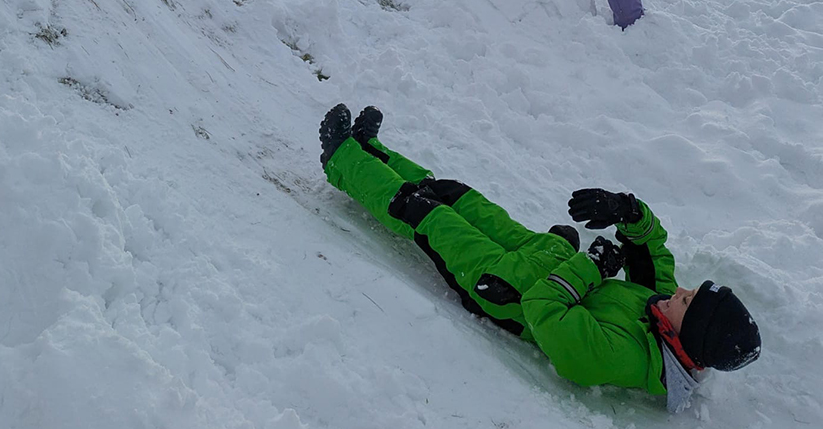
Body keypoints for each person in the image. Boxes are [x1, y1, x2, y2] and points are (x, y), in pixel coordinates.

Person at [318, 103, 760, 413]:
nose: (678, 291)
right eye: (687, 291)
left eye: (685, 301)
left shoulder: (623, 358)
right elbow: (652, 250)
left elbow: (544, 312)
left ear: (688, 335)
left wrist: (592, 266)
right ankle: (372, 152)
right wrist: (625, 209)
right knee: (455, 195)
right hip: (538, 255)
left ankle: (341, 159)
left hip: (504, 288)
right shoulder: (663, 313)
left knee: (423, 211)